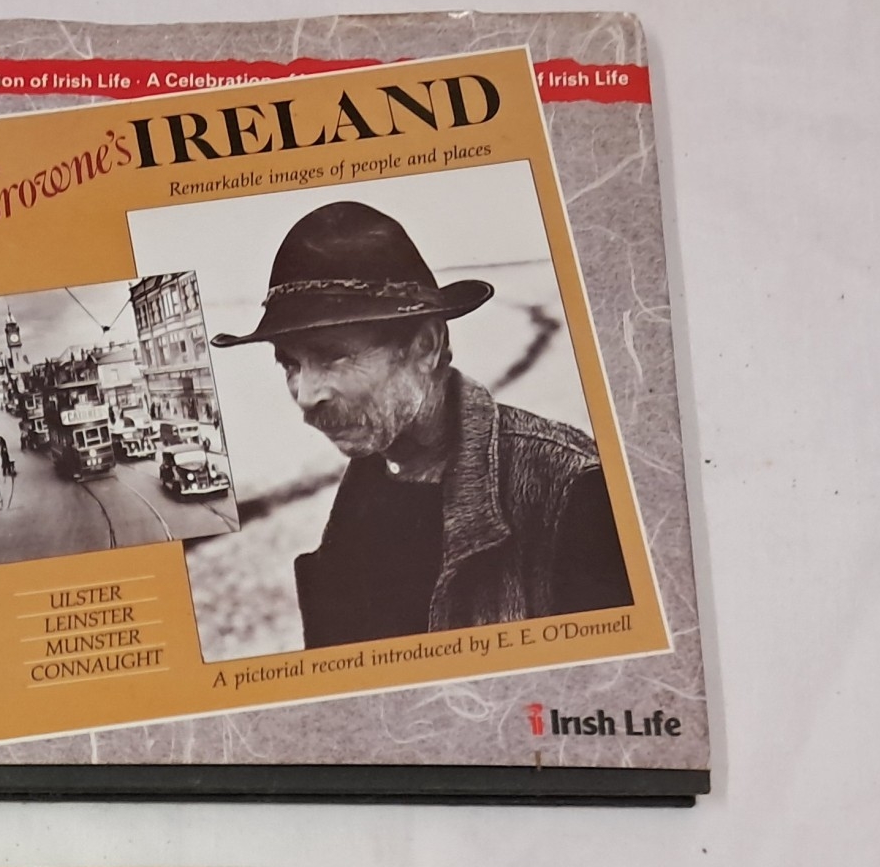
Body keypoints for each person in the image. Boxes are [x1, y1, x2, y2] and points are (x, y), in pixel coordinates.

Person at [210, 200, 634, 648]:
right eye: (290, 363)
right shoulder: (366, 487)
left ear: (427, 345)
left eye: (333, 356)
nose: (306, 394)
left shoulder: (573, 487)